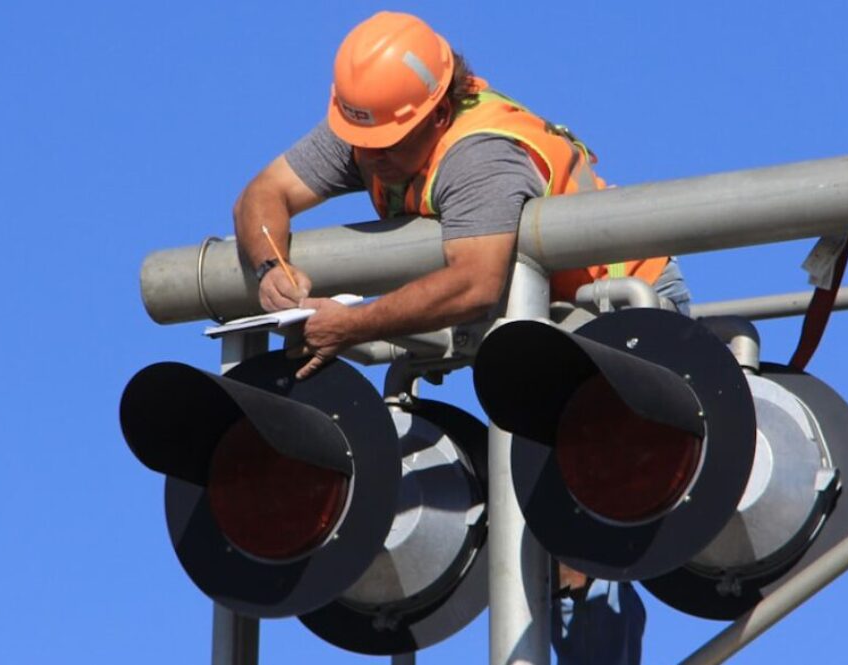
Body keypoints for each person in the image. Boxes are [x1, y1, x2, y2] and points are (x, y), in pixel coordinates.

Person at [233, 11, 687, 664]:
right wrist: (270, 267)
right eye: (362, 140)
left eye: (389, 143)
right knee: (558, 519)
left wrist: (350, 324)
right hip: (546, 323)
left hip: (625, 312)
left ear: (438, 112)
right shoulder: (370, 126)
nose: (371, 158)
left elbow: (475, 283)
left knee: (588, 522)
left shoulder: (480, 156)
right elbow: (261, 194)